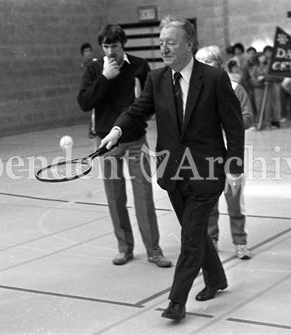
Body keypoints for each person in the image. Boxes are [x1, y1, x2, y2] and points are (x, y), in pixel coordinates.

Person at [100, 16, 244, 320]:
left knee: (190, 240)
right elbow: (137, 111)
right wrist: (115, 132)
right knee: (195, 234)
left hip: (207, 172)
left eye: (171, 42)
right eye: (161, 42)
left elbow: (234, 125)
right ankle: (217, 278)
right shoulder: (157, 79)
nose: (164, 47)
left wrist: (235, 166)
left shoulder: (215, 78)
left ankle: (176, 302)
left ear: (189, 44)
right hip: (173, 173)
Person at [77, 25, 172, 268]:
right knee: (115, 198)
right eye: (106, 47)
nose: (110, 52)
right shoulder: (94, 69)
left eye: (115, 46)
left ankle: (153, 250)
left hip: (135, 141)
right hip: (106, 144)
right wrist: (104, 79)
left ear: (123, 45)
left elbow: (149, 101)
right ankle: (124, 248)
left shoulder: (139, 66)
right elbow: (85, 103)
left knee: (144, 197)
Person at [195, 46, 253, 260]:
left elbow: (247, 118)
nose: (201, 65)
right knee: (209, 202)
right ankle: (212, 241)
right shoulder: (195, 89)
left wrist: (225, 122)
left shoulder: (236, 88)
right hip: (206, 155)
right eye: (198, 61)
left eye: (207, 61)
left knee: (235, 201)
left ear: (218, 64)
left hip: (231, 154)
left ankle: (240, 242)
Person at [80, 42, 97, 138]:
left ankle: (93, 130)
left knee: (95, 110)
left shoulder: (95, 62)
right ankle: (93, 129)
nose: (88, 53)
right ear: (83, 54)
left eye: (89, 51)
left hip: (97, 89)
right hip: (89, 91)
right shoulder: (83, 66)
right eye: (86, 51)